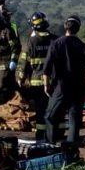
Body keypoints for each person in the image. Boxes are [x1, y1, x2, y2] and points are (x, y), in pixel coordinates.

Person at [42, 15, 85, 158]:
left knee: (50, 116)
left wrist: (46, 86)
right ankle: (71, 151)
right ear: (78, 29)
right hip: (78, 89)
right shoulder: (83, 46)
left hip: (60, 88)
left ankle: (51, 148)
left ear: (65, 27)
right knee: (74, 120)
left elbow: (46, 69)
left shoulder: (56, 44)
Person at [18, 12, 56, 140]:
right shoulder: (55, 40)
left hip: (37, 84)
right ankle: (54, 134)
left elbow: (23, 63)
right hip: (53, 82)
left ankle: (41, 135)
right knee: (54, 109)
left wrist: (20, 78)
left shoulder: (31, 42)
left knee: (40, 111)